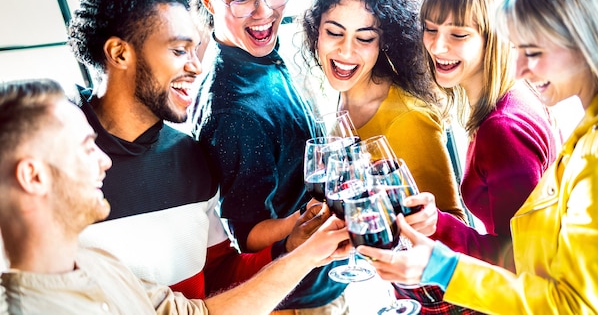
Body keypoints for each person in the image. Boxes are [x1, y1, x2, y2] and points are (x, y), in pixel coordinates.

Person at [359, 0, 598, 314]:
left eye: (532, 52)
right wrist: (440, 226)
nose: (518, 68)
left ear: (586, 44)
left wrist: (441, 266)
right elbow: (543, 244)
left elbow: (569, 303)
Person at [66, 0, 325, 300]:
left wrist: (288, 246)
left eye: (194, 50)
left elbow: (217, 276)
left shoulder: (191, 158)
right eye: (178, 51)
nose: (196, 66)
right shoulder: (50, 153)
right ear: (119, 53)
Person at [0, 78, 351, 314]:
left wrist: (303, 253)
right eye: (85, 147)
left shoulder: (95, 263)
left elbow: (203, 312)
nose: (104, 160)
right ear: (33, 176)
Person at [180, 0, 349, 313]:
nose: (264, 11)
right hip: (298, 301)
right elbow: (248, 235)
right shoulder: (233, 108)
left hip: (324, 278)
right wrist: (316, 219)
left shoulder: (261, 55)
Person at [390, 0, 560, 313]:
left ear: (494, 37)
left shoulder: (502, 130)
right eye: (430, 29)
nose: (437, 46)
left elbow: (516, 259)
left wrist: (442, 226)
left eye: (458, 34)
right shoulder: (521, 93)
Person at [299, 0, 467, 223]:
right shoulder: (345, 95)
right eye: (334, 32)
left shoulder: (408, 119)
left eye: (364, 38)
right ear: (316, 30)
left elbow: (452, 225)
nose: (346, 50)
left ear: (385, 43)